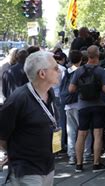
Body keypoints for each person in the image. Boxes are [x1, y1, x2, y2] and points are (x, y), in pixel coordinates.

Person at [0, 51, 61, 185]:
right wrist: (16, 155)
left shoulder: (49, 93)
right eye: (56, 68)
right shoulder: (18, 99)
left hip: (48, 167)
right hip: (27, 170)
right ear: (42, 74)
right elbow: (2, 136)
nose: (59, 71)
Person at [69, 45, 105, 173]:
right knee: (97, 134)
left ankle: (79, 164)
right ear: (98, 55)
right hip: (98, 105)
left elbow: (71, 89)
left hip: (83, 106)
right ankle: (96, 164)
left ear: (87, 55)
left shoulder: (79, 71)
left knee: (81, 134)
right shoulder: (101, 71)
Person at [60, 50, 92, 165]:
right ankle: (86, 154)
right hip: (81, 104)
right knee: (85, 131)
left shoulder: (66, 72)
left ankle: (72, 156)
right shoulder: (82, 71)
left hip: (68, 105)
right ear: (81, 59)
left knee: (71, 132)